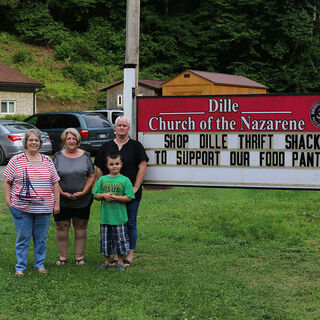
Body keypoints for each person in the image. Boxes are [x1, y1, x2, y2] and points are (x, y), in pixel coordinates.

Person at [3, 128, 60, 276]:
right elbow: (7, 181)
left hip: (44, 209)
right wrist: (9, 203)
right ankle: (20, 267)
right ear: (25, 142)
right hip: (21, 208)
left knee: (41, 239)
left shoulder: (47, 160)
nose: (33, 143)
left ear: (40, 143)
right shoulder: (16, 160)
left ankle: (39, 264)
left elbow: (55, 184)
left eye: (36, 140)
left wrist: (56, 204)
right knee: (23, 238)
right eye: (30, 140)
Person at [94, 116, 148, 267]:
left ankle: (128, 254)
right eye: (119, 125)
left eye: (125, 125)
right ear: (115, 128)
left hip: (130, 194)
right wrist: (103, 187)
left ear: (129, 128)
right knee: (112, 225)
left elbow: (142, 166)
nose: (122, 128)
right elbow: (98, 166)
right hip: (110, 194)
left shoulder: (136, 146)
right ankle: (115, 256)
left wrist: (136, 187)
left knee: (130, 222)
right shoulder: (106, 146)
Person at [53, 128, 95, 266]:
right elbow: (53, 178)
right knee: (62, 226)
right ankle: (62, 257)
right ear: (64, 140)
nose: (71, 141)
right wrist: (61, 192)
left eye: (74, 138)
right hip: (62, 199)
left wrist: (83, 192)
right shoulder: (58, 156)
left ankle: (79, 257)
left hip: (82, 199)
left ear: (78, 140)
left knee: (80, 225)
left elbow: (91, 175)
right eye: (68, 138)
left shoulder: (85, 156)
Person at [94, 152, 135, 272]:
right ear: (107, 165)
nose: (114, 166)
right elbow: (96, 195)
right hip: (106, 218)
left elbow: (129, 197)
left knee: (121, 240)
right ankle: (106, 261)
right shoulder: (102, 179)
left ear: (121, 164)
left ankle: (120, 262)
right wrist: (104, 195)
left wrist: (116, 197)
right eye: (111, 164)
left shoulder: (125, 180)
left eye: (117, 164)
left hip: (119, 218)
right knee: (105, 241)